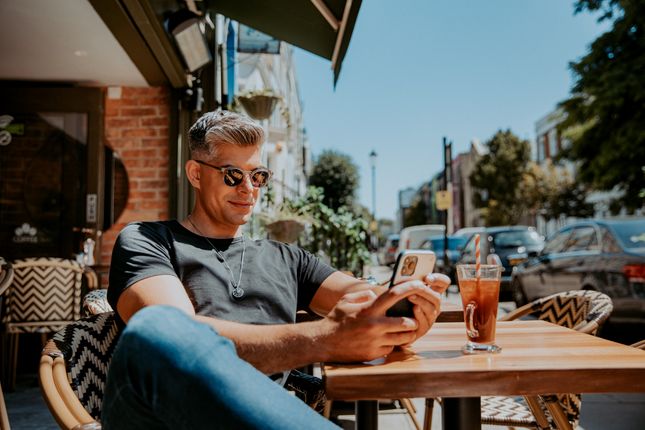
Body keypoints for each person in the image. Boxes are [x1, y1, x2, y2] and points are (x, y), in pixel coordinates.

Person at [103, 110, 450, 429]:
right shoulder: (148, 239)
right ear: (196, 173)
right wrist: (325, 340)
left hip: (263, 417)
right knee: (157, 329)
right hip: (172, 418)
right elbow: (169, 339)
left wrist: (404, 307)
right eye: (232, 175)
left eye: (259, 176)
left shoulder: (287, 258)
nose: (248, 188)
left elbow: (359, 296)